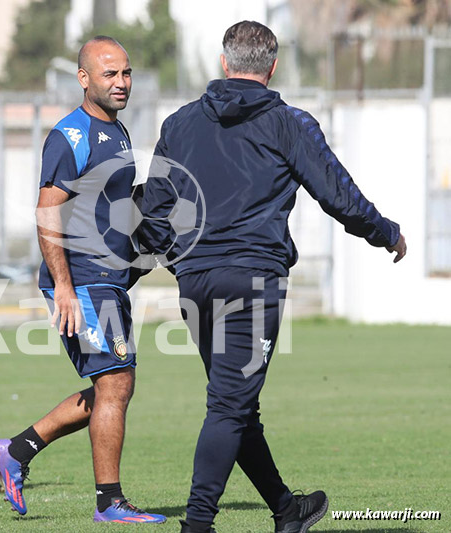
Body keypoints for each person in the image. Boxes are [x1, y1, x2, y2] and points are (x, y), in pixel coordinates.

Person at [139, 21, 406, 533]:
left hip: (197, 282)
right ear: (273, 66)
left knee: (237, 406)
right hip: (253, 280)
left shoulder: (179, 124)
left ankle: (287, 509)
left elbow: (153, 215)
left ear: (224, 63)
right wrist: (386, 232)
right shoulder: (288, 122)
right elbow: (338, 195)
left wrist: (182, 264)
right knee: (228, 406)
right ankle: (197, 525)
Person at [0, 36, 165, 524]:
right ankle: (109, 501)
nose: (121, 82)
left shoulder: (121, 132)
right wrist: (63, 288)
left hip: (109, 280)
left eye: (125, 73)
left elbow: (111, 210)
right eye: (109, 74)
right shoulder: (71, 135)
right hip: (81, 282)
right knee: (116, 382)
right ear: (83, 78)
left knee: (114, 387)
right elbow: (48, 213)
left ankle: (17, 451)